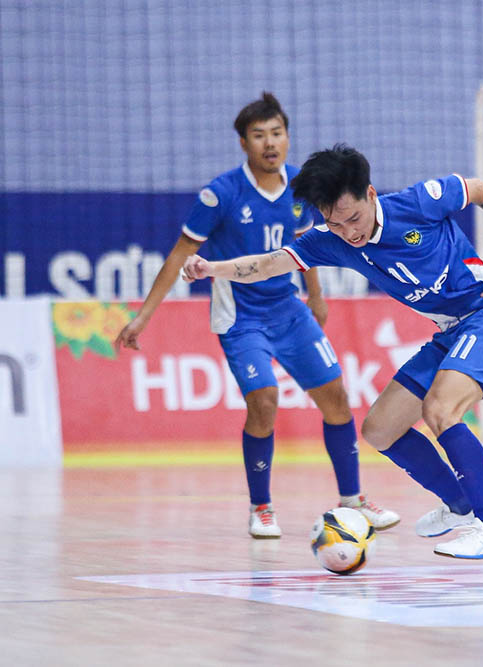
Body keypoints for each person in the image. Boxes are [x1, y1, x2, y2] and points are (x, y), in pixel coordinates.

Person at [181, 144, 483, 559]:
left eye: (353, 218)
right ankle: (460, 505)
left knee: (440, 410)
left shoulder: (419, 202)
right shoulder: (330, 241)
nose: (350, 232)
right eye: (335, 223)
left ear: (370, 194)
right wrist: (211, 269)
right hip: (450, 333)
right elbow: (267, 264)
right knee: (379, 429)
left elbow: (477, 190)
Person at [114, 93, 399, 538]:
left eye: (277, 133)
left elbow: (307, 247)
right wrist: (143, 317)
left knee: (337, 399)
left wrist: (316, 298)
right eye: (259, 135)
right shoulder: (220, 195)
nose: (270, 143)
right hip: (241, 319)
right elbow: (177, 256)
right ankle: (261, 506)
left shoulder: (302, 189)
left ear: (287, 137)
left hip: (289, 311)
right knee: (264, 402)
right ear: (244, 143)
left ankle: (353, 500)